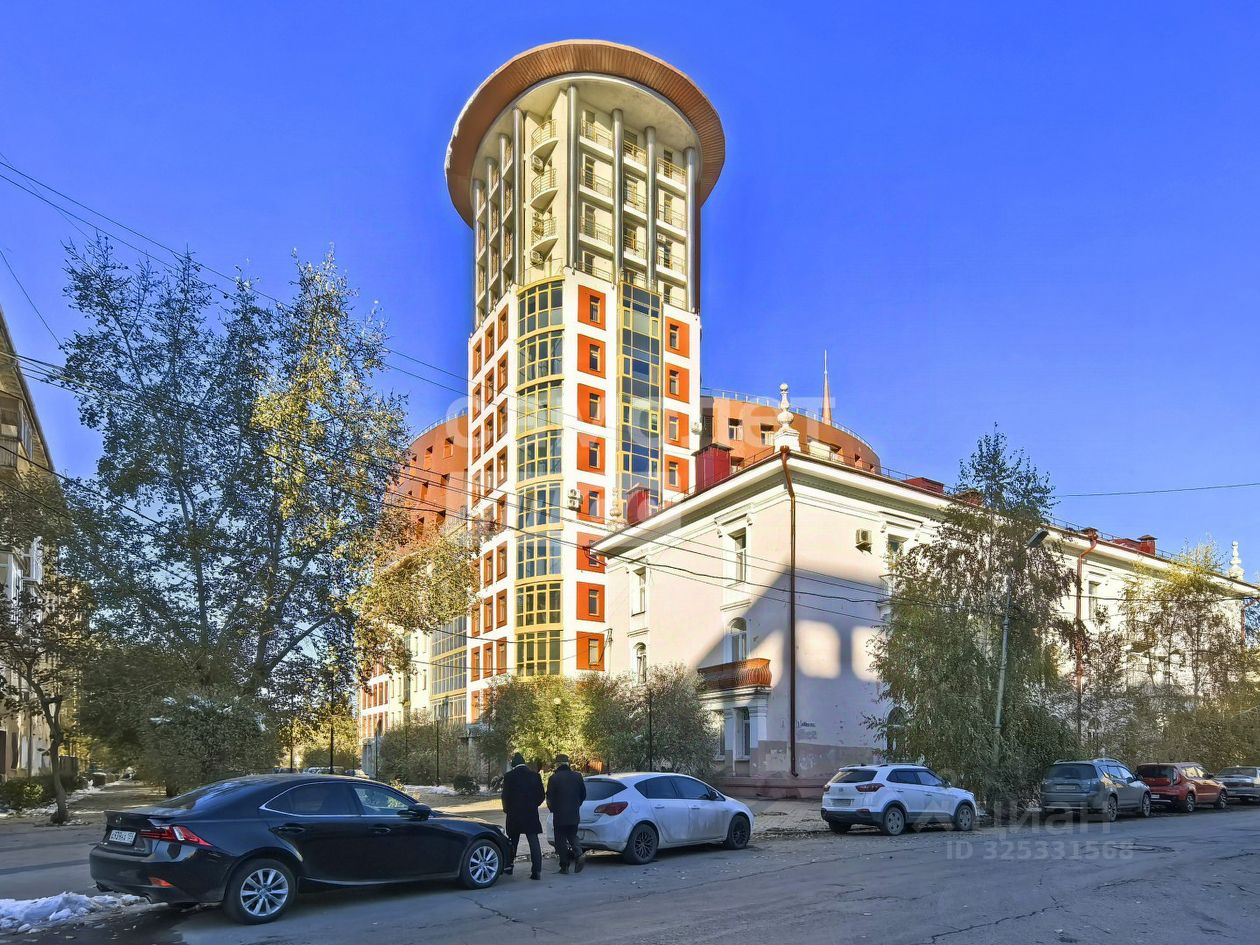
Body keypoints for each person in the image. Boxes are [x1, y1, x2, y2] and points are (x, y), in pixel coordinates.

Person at [501, 752, 545, 880]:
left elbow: (505, 796)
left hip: (514, 815)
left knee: (512, 842)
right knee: (533, 841)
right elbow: (541, 795)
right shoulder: (535, 776)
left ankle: (509, 867)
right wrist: (533, 805)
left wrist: (507, 810)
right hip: (530, 813)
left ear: (513, 764)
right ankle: (537, 871)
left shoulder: (509, 776)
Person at [545, 753, 587, 874]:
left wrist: (552, 809)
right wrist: (576, 805)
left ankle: (564, 866)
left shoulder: (553, 778)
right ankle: (579, 853)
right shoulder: (577, 776)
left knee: (560, 840)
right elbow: (583, 794)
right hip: (574, 813)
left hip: (559, 814)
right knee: (572, 835)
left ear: (557, 765)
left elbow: (549, 797)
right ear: (568, 764)